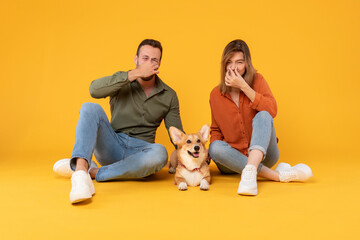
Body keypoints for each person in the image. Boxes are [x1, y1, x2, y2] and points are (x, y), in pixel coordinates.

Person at [53, 39, 183, 203]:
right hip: (112, 144)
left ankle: (92, 172)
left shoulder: (169, 95)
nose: (149, 63)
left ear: (159, 65)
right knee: (89, 107)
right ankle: (80, 172)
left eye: (154, 60)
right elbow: (94, 90)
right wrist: (135, 74)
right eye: (145, 58)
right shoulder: (122, 80)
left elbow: (177, 136)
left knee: (160, 153)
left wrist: (194, 155)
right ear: (136, 59)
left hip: (140, 154)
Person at [208, 39, 313, 196]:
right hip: (232, 162)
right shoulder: (215, 94)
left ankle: (250, 171)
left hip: (265, 157)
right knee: (214, 146)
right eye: (229, 62)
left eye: (239, 62)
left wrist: (244, 86)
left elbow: (272, 110)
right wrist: (207, 157)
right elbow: (216, 130)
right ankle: (278, 176)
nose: (234, 67)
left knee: (263, 114)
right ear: (224, 64)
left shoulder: (258, 81)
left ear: (247, 64)